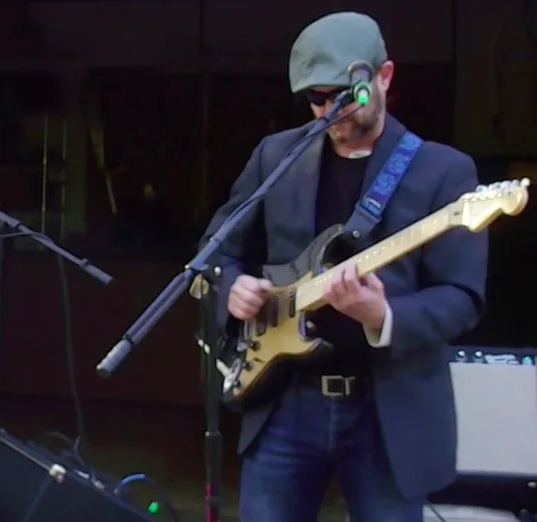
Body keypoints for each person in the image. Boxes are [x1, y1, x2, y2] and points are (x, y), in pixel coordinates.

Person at [202, 12, 488, 522]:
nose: (331, 111)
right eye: (317, 98)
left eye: (345, 95)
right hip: (286, 402)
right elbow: (218, 250)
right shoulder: (276, 156)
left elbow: (462, 297)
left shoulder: (443, 171)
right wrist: (233, 289)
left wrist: (383, 316)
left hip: (387, 412)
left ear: (384, 76)